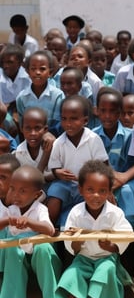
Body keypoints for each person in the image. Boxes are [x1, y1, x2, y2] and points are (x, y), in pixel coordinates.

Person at [48, 160, 133, 298]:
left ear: (109, 192)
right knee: (72, 273)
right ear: (81, 190)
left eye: (102, 191)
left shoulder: (114, 213)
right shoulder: (76, 213)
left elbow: (126, 235)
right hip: (84, 258)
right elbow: (71, 245)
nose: (96, 195)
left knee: (106, 270)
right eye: (90, 190)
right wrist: (77, 242)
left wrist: (110, 246)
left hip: (106, 257)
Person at [0, 166, 62, 298]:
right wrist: (7, 221)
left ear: (36, 195)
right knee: (11, 249)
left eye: (22, 191)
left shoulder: (40, 209)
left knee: (43, 249)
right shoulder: (11, 210)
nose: (15, 195)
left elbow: (49, 230)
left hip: (38, 253)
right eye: (12, 189)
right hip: (19, 253)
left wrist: (28, 222)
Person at [46, 95, 108, 228]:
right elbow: (53, 169)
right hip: (66, 185)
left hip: (88, 185)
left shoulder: (93, 139)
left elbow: (104, 167)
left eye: (74, 119)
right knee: (55, 190)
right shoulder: (59, 143)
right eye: (64, 119)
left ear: (85, 120)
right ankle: (48, 228)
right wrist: (58, 173)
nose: (68, 123)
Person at [93, 87, 134, 230]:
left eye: (113, 111)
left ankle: (130, 230)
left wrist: (123, 177)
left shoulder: (131, 135)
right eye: (103, 111)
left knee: (126, 191)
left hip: (128, 179)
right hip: (103, 180)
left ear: (119, 113)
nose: (107, 116)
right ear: (96, 111)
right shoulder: (92, 136)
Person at [16, 50, 65, 133]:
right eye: (33, 69)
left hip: (52, 138)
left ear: (50, 72)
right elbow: (23, 126)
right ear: (28, 72)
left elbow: (58, 123)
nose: (37, 72)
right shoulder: (21, 97)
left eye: (42, 69)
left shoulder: (57, 95)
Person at [14, 107, 54, 182]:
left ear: (45, 130)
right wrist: (46, 154)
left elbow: (57, 175)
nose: (33, 133)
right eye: (28, 128)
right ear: (21, 129)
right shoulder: (19, 153)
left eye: (37, 128)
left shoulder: (54, 147)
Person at [0, 44, 31, 111]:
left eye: (9, 62)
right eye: (3, 62)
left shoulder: (28, 79)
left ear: (20, 63)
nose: (5, 66)